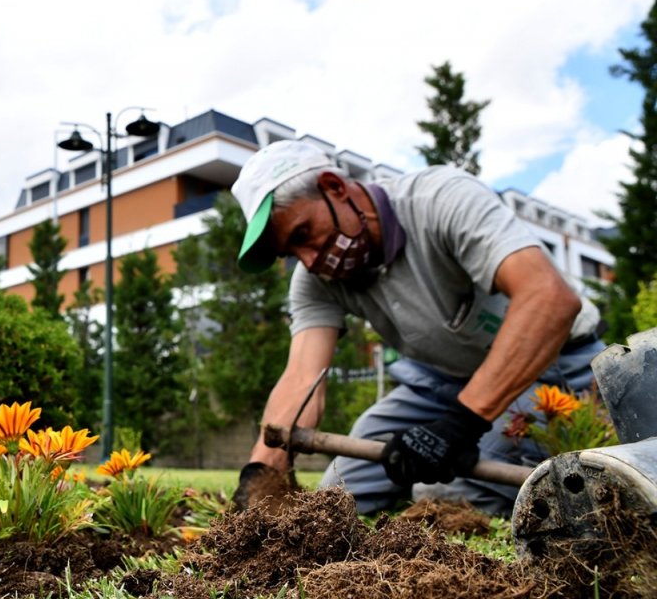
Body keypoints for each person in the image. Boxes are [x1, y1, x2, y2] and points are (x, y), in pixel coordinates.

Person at [229, 140, 603, 516]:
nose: (309, 261)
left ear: (334, 187)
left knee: (440, 492)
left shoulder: (439, 200)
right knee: (338, 495)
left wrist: (461, 424)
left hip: (550, 372)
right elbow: (301, 379)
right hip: (437, 384)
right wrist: (262, 474)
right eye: (291, 253)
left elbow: (549, 299)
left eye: (302, 233)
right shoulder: (318, 280)